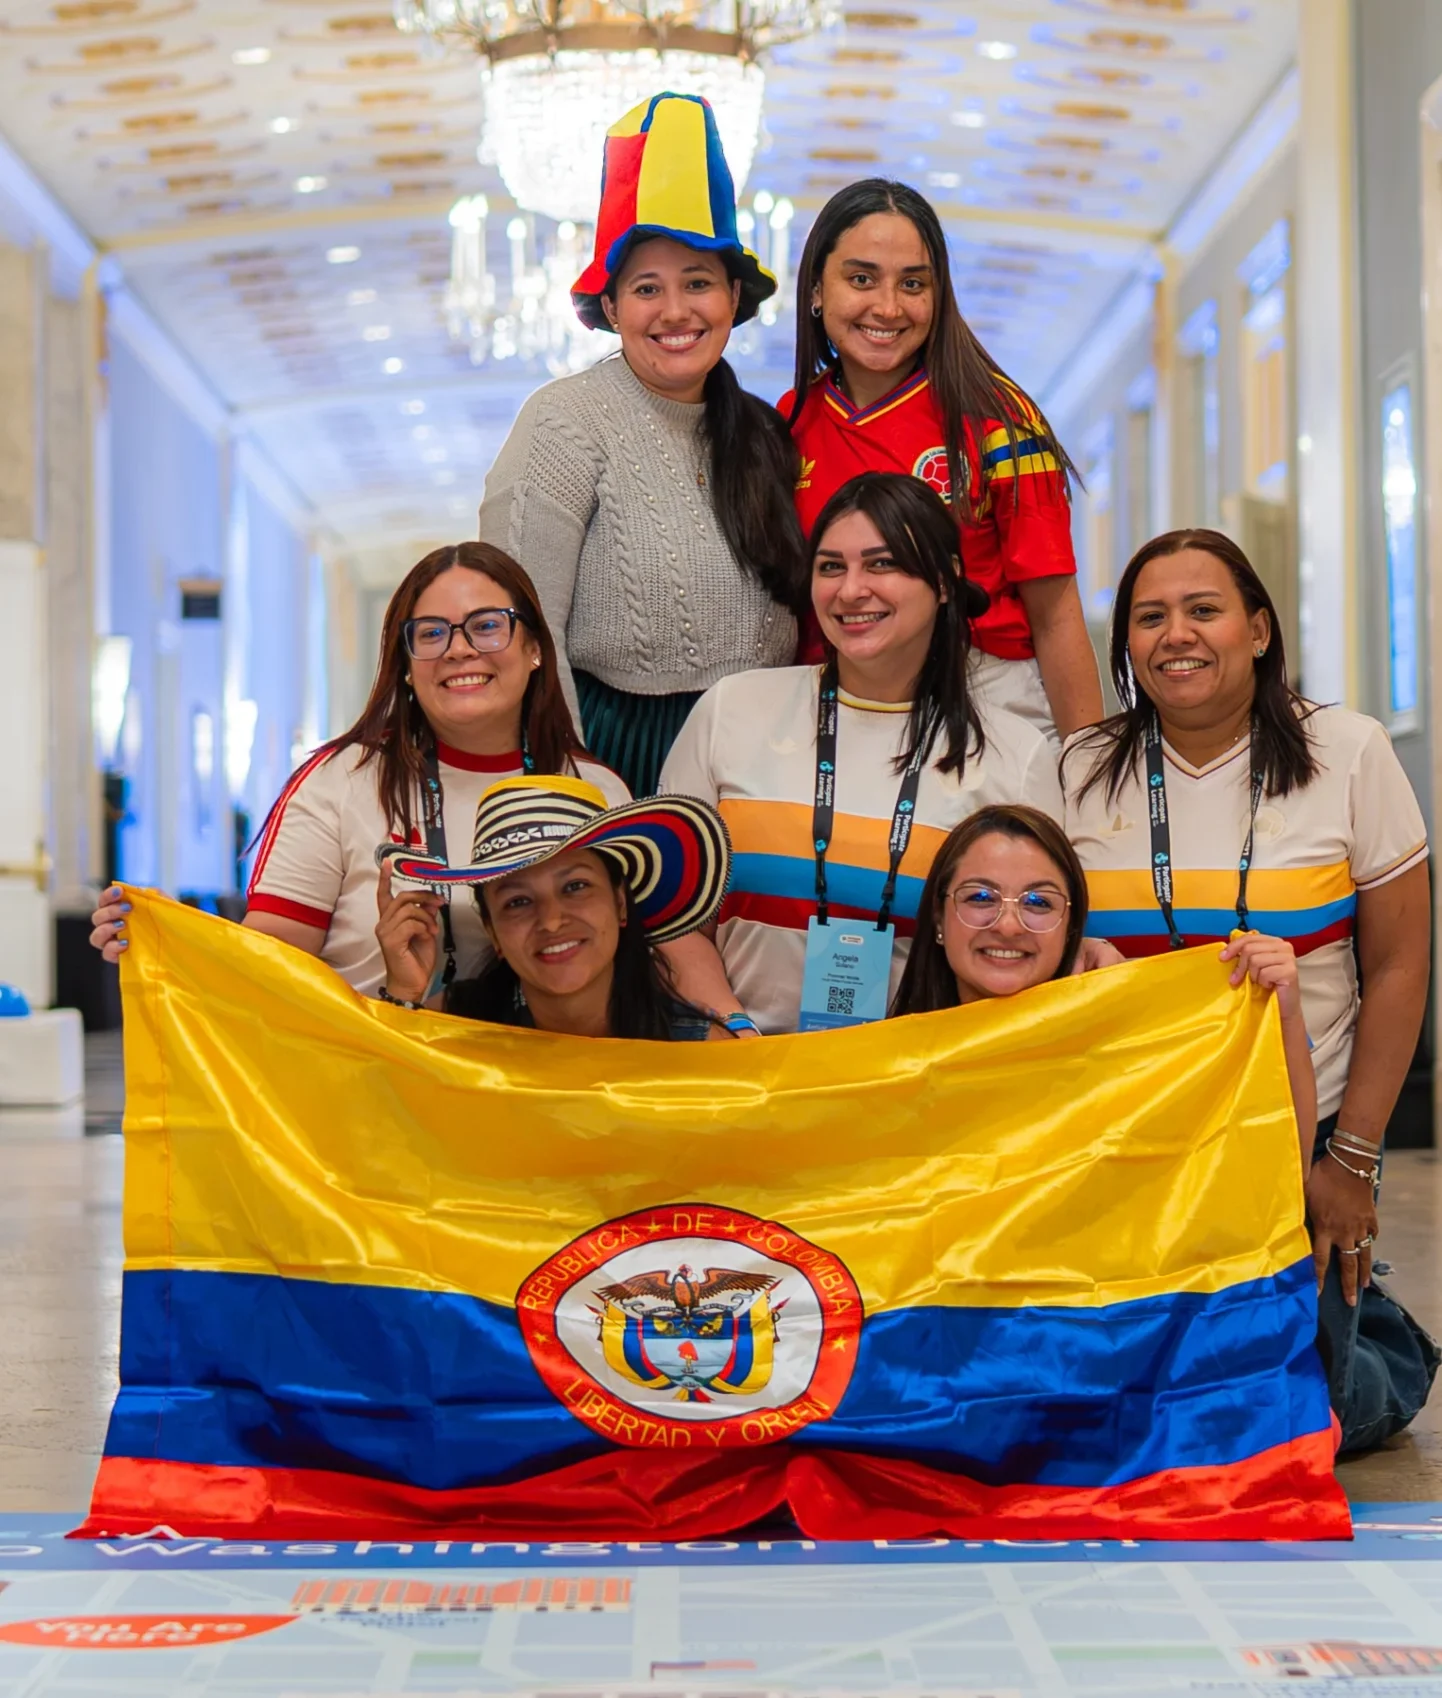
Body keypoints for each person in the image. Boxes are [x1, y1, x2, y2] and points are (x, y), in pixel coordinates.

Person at [1063, 526, 1437, 1453]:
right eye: (1149, 617)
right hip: (1129, 1139)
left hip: (1292, 1133)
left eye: (1204, 610)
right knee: (1120, 1410)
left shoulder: (1346, 751)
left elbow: (1397, 967)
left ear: (1260, 630)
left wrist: (1350, 1162)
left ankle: (1371, 1333)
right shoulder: (1072, 769)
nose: (1175, 635)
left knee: (1309, 1420)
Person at [89, 542, 629, 994]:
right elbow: (269, 960)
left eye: (488, 626)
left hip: (549, 1082)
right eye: (432, 633)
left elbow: (636, 965)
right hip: (369, 1078)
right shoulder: (342, 780)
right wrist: (171, 943)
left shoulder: (595, 790)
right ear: (407, 666)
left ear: (534, 647)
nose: (461, 649)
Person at [477, 92, 806, 798]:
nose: (677, 311)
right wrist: (570, 785)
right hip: (612, 756)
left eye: (699, 283)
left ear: (731, 300)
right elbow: (522, 631)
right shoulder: (564, 422)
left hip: (771, 757)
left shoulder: (769, 432)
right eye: (647, 288)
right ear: (613, 307)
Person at [658, 470, 1065, 1036]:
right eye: (831, 567)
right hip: (742, 1073)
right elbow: (668, 914)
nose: (850, 590)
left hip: (917, 1087)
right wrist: (730, 1027)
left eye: (882, 564)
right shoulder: (733, 710)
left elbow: (1038, 940)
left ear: (945, 583)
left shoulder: (1015, 755)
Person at [780, 178, 1103, 747]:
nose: (888, 307)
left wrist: (1088, 771)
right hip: (833, 702)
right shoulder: (790, 422)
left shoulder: (997, 418)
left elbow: (1054, 615)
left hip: (986, 703)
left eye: (913, 284)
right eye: (861, 279)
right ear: (814, 290)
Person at [890, 803, 1317, 1155]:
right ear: (938, 917)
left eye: (1039, 902)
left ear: (1069, 927)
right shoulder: (881, 1076)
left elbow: (1274, 1166)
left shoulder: (1133, 1061)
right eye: (980, 897)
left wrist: (1287, 1016)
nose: (1008, 924)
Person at [374, 774, 741, 1042]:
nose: (551, 921)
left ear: (619, 903)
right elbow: (382, 1124)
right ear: (493, 932)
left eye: (575, 887)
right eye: (518, 902)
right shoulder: (453, 1030)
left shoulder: (699, 1051)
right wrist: (403, 996)